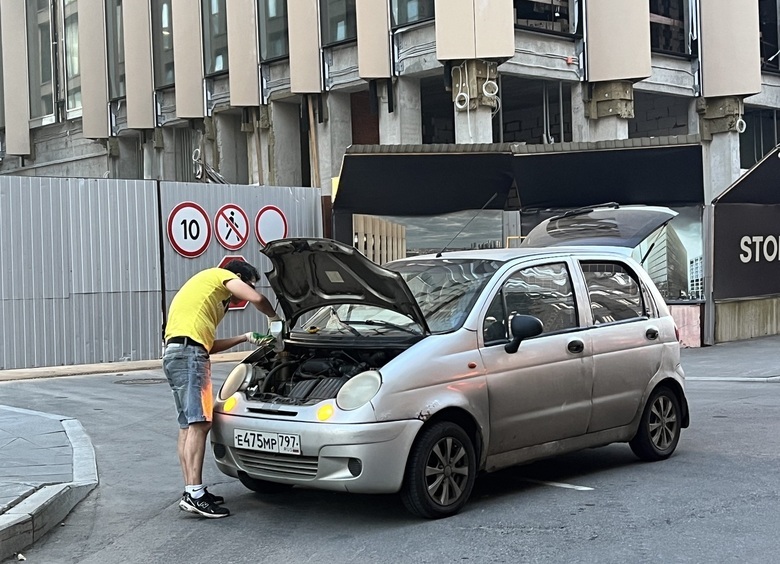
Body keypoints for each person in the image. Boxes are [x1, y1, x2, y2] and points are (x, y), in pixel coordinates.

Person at [162, 259, 280, 519]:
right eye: (246, 283)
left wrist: (246, 337)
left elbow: (208, 345)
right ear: (237, 276)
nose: (245, 293)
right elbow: (258, 298)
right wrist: (274, 318)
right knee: (200, 424)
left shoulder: (206, 292)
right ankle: (195, 493)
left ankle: (191, 490)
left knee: (188, 425)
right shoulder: (219, 276)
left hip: (178, 353)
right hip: (189, 356)